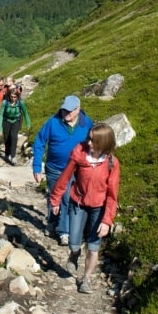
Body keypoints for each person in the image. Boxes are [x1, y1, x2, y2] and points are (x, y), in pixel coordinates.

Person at [50, 123, 119, 294]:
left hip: (99, 208)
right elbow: (65, 177)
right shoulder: (79, 154)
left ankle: (86, 279)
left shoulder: (111, 163)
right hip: (78, 203)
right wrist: (56, 200)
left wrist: (107, 221)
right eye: (88, 138)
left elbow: (112, 194)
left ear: (103, 143)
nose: (88, 142)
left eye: (93, 140)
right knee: (74, 241)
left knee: (93, 246)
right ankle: (74, 253)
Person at [31, 95, 93, 245]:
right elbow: (39, 142)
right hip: (55, 169)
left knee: (67, 198)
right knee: (55, 197)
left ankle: (63, 231)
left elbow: (93, 142)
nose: (66, 113)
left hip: (76, 169)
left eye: (70, 111)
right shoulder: (53, 122)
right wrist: (37, 166)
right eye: (64, 110)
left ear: (78, 109)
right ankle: (54, 223)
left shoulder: (87, 123)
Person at [0, 87, 31, 164]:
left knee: (14, 137)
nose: (13, 98)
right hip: (6, 121)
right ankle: (7, 154)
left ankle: (13, 156)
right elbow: (0, 115)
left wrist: (28, 123)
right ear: (9, 96)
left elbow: (25, 113)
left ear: (17, 96)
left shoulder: (21, 103)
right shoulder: (5, 102)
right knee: (7, 138)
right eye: (11, 96)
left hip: (16, 121)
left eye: (15, 97)